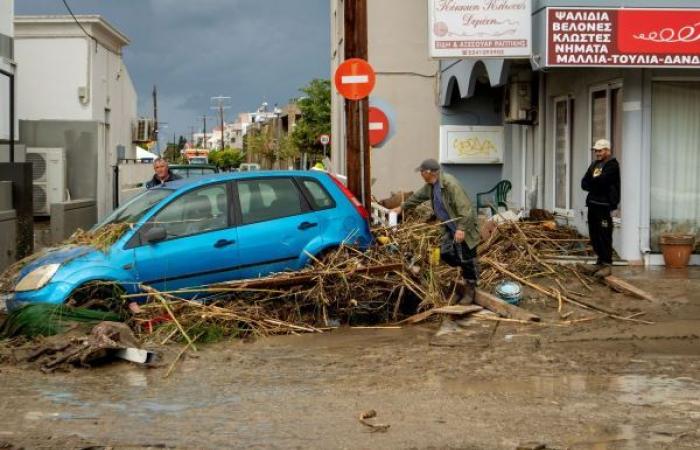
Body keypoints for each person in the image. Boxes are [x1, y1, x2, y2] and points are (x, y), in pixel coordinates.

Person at [392, 158, 480, 304]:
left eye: (421, 171)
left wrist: (462, 228)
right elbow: (418, 197)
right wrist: (402, 207)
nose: (420, 174)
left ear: (428, 172)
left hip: (463, 226)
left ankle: (470, 290)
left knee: (466, 257)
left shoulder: (450, 185)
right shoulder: (431, 186)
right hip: (448, 227)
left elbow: (466, 208)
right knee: (445, 253)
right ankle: (468, 269)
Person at [581, 139, 620, 278]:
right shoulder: (595, 164)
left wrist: (594, 183)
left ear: (608, 151)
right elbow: (584, 183)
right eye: (596, 150)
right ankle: (599, 261)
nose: (597, 153)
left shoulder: (612, 165)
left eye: (600, 150)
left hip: (604, 205)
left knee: (604, 234)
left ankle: (607, 263)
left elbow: (602, 182)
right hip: (592, 204)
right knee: (594, 234)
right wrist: (595, 183)